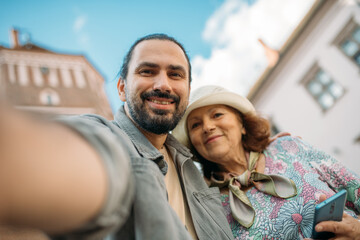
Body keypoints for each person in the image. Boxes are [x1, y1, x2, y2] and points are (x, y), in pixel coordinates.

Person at [0, 35, 234, 239]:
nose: (163, 84)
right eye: (147, 71)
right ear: (121, 88)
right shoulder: (107, 137)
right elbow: (75, 159)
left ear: (187, 91)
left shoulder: (189, 163)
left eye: (175, 74)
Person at [172, 85, 360, 239]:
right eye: (195, 125)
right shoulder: (209, 209)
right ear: (194, 146)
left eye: (217, 115)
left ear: (242, 125)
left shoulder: (288, 147)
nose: (208, 127)